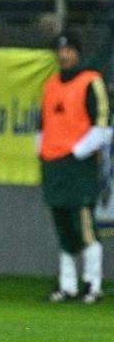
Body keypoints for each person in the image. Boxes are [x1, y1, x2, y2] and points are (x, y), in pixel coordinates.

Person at [40, 31, 111, 304]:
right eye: (59, 50)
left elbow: (102, 124)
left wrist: (78, 150)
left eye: (68, 50)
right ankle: (67, 285)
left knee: (84, 226)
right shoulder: (50, 85)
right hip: (53, 165)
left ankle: (93, 284)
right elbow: (43, 123)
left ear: (78, 52)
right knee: (63, 229)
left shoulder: (90, 81)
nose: (63, 55)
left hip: (79, 166)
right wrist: (43, 152)